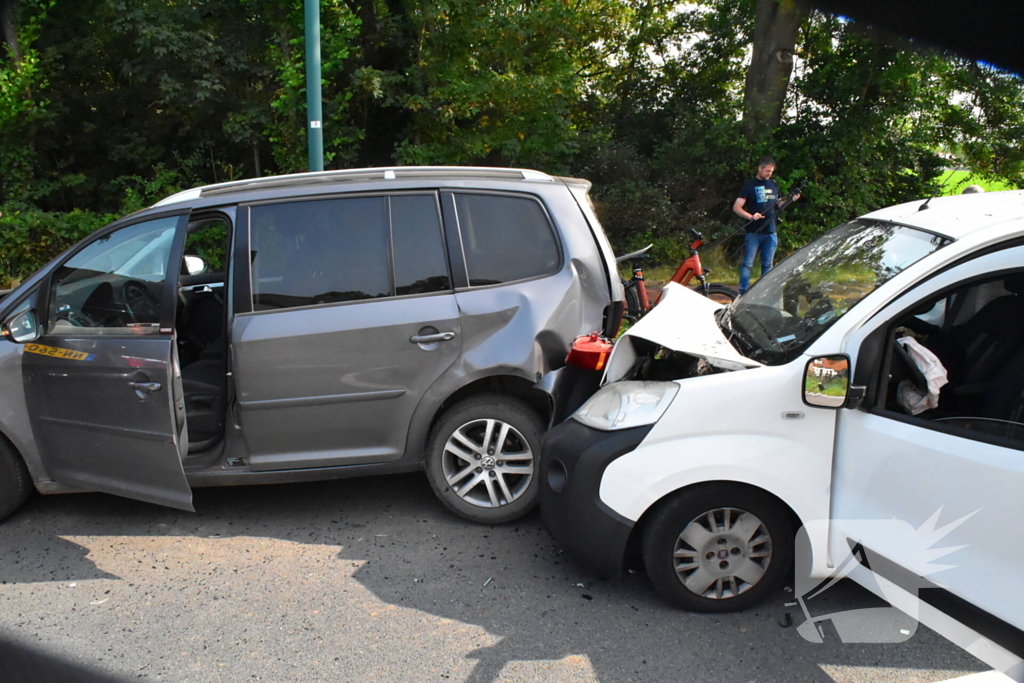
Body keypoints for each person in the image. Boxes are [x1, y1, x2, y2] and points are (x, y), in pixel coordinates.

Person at [733, 156, 799, 294]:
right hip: (754, 232)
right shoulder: (749, 185)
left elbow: (779, 205)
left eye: (771, 171)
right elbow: (737, 207)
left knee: (768, 265)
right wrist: (751, 216)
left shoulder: (773, 184)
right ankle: (742, 291)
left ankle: (764, 293)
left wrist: (791, 200)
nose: (769, 174)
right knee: (748, 264)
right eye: (767, 171)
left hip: (771, 231)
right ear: (760, 168)